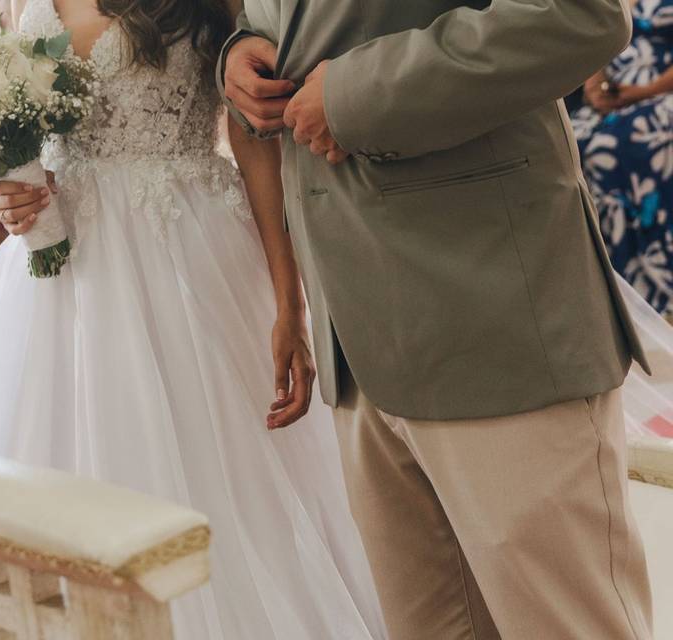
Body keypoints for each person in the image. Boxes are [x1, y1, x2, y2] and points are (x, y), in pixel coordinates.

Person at [0, 0, 387, 638]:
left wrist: (289, 303)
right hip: (61, 278)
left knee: (218, 475)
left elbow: (256, 145)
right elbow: (32, 136)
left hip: (189, 252)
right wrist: (12, 191)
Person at [222, 1, 654, 639]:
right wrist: (240, 56)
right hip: (356, 335)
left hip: (493, 310)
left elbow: (580, 13)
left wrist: (356, 94)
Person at [573, 0, 673, 316]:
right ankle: (602, 283)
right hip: (615, 101)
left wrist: (639, 93)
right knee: (569, 142)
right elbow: (594, 34)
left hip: (661, 94)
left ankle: (653, 284)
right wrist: (595, 88)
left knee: (617, 144)